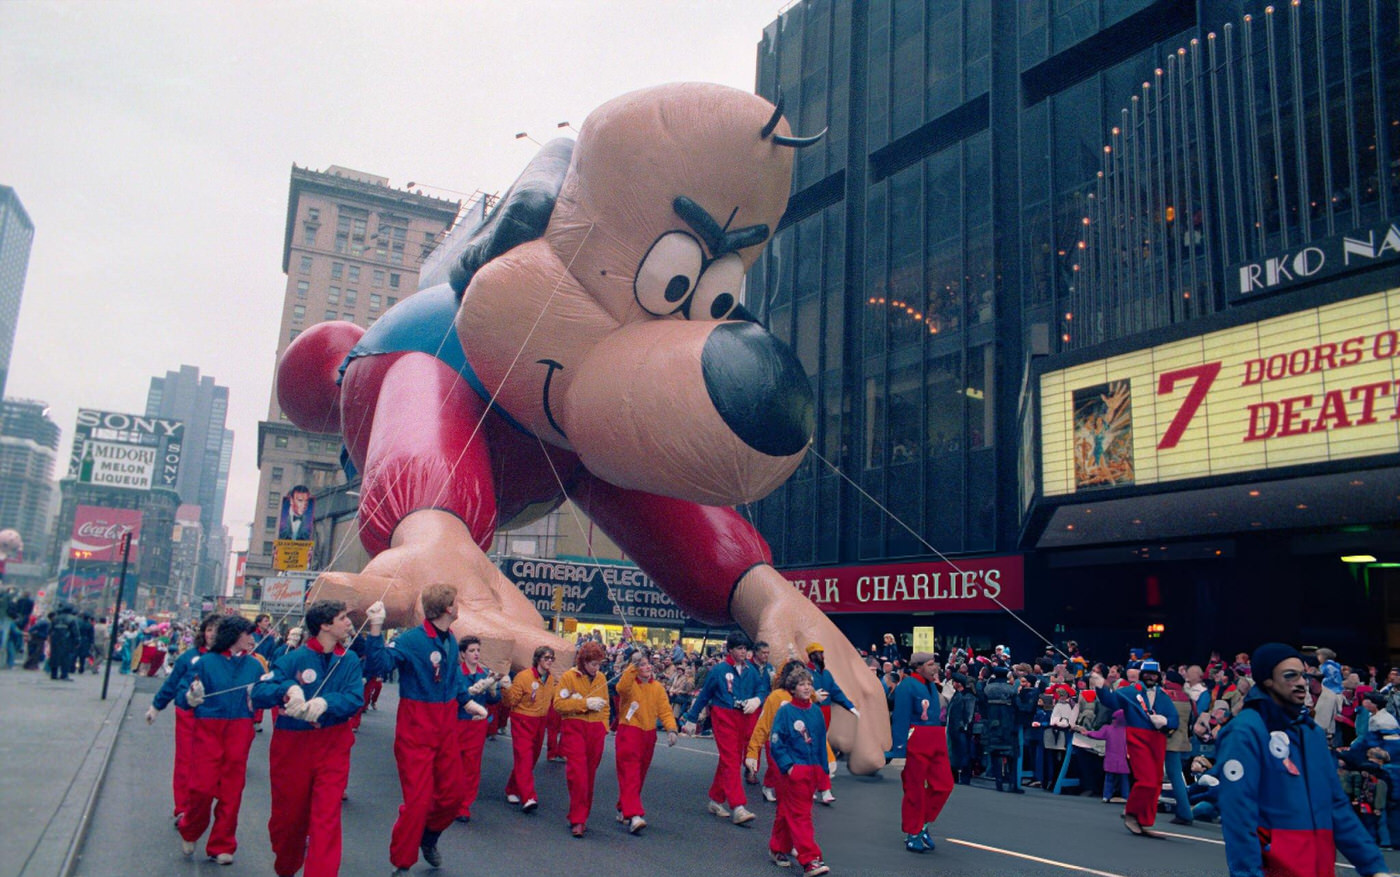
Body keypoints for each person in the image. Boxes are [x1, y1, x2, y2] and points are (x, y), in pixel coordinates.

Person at [1216, 643, 1393, 877]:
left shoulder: (1312, 734)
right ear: (1267, 680)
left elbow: (1336, 806)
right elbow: (1238, 814)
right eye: (1290, 676)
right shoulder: (1244, 732)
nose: (1301, 682)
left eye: (1303, 675)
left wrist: (1373, 866)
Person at [247, 599, 365, 877]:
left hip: (333, 744)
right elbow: (260, 693)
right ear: (324, 625)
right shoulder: (292, 658)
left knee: (326, 820)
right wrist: (289, 690)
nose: (349, 623)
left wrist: (324, 704)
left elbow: (354, 699)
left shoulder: (348, 660)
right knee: (288, 821)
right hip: (292, 747)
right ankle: (287, 863)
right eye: (343, 618)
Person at [362, 586, 468, 877]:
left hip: (446, 727)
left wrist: (467, 700)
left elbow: (454, 675)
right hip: (416, 729)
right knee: (418, 802)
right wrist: (375, 629)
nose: (459, 606)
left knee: (454, 795)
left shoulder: (451, 639)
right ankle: (402, 860)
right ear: (448, 608)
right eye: (456, 602)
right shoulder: (411, 640)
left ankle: (429, 836)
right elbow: (378, 665)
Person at [176, 615, 264, 865]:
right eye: (248, 634)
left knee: (232, 791)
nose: (252, 638)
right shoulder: (204, 662)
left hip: (239, 730)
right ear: (236, 635)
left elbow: (263, 695)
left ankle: (222, 844)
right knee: (201, 788)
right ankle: (190, 829)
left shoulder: (255, 666)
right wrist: (191, 697)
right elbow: (183, 695)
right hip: (209, 729)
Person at [146, 613, 221, 825]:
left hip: (214, 717)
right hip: (188, 715)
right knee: (185, 761)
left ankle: (202, 807)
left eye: (216, 630)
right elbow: (172, 683)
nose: (212, 634)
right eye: (208, 630)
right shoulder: (188, 657)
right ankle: (183, 807)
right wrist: (156, 706)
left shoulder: (227, 659)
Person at [1094, 659, 1177, 837]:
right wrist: (1101, 685)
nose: (1150, 677)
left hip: (1158, 739)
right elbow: (1110, 700)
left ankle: (1144, 820)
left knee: (1155, 783)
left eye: (1153, 674)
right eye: (1146, 673)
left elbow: (1174, 719)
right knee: (1146, 780)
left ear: (1159, 676)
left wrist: (1165, 721)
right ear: (1141, 674)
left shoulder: (1163, 696)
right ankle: (1131, 812)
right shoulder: (1130, 693)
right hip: (1138, 737)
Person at [684, 632, 759, 826]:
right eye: (740, 648)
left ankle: (716, 799)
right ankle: (738, 806)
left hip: (743, 716)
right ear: (730, 650)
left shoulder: (751, 670)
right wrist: (692, 718)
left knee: (731, 758)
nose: (744, 652)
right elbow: (704, 695)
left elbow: (762, 689)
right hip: (724, 715)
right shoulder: (718, 670)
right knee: (731, 759)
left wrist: (757, 699)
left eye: (745, 648)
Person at [886, 652, 953, 853]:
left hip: (937, 738)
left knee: (945, 785)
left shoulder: (931, 685)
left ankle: (922, 824)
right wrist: (898, 747)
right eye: (931, 665)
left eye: (936, 664)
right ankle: (913, 832)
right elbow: (901, 717)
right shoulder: (907, 686)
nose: (936, 668)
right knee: (914, 788)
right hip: (917, 738)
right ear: (918, 667)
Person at [767, 666, 830, 876]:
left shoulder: (816, 712)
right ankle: (810, 858)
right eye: (801, 684)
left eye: (809, 684)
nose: (806, 688)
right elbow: (776, 741)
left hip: (813, 770)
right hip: (794, 771)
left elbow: (821, 743)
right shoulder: (785, 711)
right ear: (792, 688)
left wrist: (824, 772)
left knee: (788, 811)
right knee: (801, 815)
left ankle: (778, 847)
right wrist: (788, 766)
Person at [614, 650, 679, 833]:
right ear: (634, 667)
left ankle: (623, 807)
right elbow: (621, 688)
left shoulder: (657, 687)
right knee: (631, 773)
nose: (647, 666)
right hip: (629, 732)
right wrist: (632, 667)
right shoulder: (629, 684)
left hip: (649, 735)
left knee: (639, 775)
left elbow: (665, 710)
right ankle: (635, 814)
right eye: (641, 664)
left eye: (647, 663)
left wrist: (671, 729)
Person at [553, 640, 611, 837]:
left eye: (599, 664)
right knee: (578, 775)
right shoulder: (569, 677)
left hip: (596, 730)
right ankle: (577, 818)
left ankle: (581, 816)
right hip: (575, 727)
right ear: (583, 662)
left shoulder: (601, 678)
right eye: (593, 664)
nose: (596, 668)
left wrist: (604, 727)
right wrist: (585, 704)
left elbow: (606, 706)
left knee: (590, 776)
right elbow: (559, 704)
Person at [503, 644, 561, 813]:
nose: (550, 661)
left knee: (531, 758)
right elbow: (511, 701)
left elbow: (555, 698)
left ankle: (512, 788)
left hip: (540, 721)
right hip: (522, 720)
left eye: (552, 658)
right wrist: (505, 689)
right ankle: (529, 796)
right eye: (546, 658)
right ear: (537, 659)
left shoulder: (550, 679)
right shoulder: (523, 677)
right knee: (524, 757)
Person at [454, 635, 501, 823]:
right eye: (472, 651)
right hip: (458, 721)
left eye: (478, 650)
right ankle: (448, 800)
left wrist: (492, 689)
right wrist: (471, 692)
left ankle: (463, 806)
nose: (476, 654)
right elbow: (453, 697)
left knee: (472, 766)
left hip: (477, 725)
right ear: (463, 653)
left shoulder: (486, 672)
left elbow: (495, 700)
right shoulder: (456, 672)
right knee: (453, 764)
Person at [47, 603, 79, 681]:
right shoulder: (72, 619)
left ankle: (53, 674)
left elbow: (50, 630)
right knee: (66, 658)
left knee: (54, 657)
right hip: (67, 640)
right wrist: (77, 641)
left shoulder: (55, 618)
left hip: (55, 640)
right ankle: (64, 675)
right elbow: (75, 631)